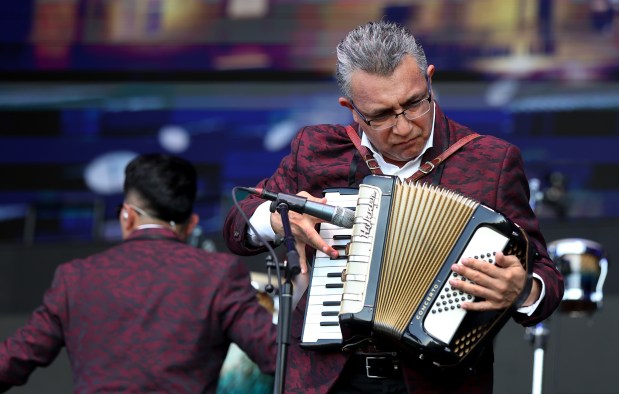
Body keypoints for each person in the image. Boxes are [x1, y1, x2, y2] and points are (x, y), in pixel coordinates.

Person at [223, 21, 564, 393]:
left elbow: (545, 274)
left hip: (439, 382)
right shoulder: (317, 149)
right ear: (351, 109)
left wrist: (522, 290)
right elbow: (238, 227)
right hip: (326, 380)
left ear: (430, 81)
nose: (403, 128)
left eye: (414, 103)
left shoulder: (490, 160)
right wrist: (277, 218)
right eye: (382, 115)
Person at [0, 153, 277, 393]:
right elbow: (277, 355)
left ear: (127, 215)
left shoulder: (75, 277)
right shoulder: (219, 274)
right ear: (191, 224)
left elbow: (13, 360)